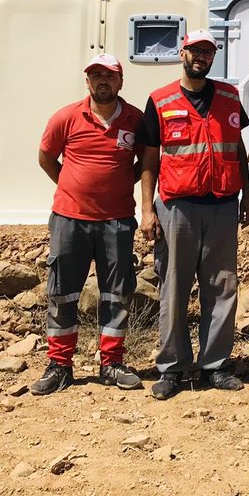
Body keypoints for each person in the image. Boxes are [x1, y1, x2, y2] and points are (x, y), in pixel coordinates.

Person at [138, 30, 249, 400]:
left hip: (221, 204)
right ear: (182, 53)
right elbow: (150, 161)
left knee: (222, 287)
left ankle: (215, 365)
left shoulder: (230, 97)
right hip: (177, 206)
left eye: (208, 51)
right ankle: (172, 367)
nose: (202, 56)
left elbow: (237, 148)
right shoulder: (160, 100)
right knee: (174, 286)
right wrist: (146, 208)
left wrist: (247, 192)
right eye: (195, 50)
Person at [31, 54, 145, 395]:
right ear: (87, 81)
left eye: (108, 76)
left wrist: (125, 181)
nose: (102, 81)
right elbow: (46, 159)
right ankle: (59, 366)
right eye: (95, 75)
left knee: (116, 293)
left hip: (117, 221)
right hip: (70, 220)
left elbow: (146, 162)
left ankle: (111, 364)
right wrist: (70, 186)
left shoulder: (136, 120)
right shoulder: (66, 117)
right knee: (63, 293)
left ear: (121, 81)